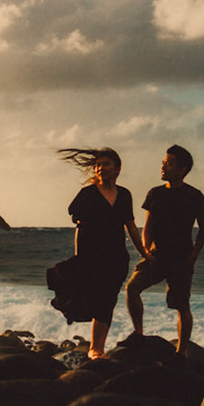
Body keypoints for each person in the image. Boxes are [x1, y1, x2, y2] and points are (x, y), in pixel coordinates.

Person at [55, 147, 148, 359]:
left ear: (118, 169)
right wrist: (79, 258)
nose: (100, 168)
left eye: (106, 164)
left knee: (108, 299)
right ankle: (94, 347)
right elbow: (79, 227)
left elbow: (131, 226)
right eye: (98, 165)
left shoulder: (124, 195)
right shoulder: (88, 194)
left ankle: (97, 348)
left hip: (116, 256)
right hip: (92, 254)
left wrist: (144, 252)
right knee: (96, 297)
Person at [124, 144, 204, 360]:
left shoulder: (194, 196)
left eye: (168, 164)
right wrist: (145, 252)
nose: (163, 167)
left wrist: (192, 257)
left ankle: (181, 351)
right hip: (156, 256)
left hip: (181, 259)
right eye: (163, 163)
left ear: (182, 169)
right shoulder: (155, 193)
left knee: (182, 305)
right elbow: (148, 226)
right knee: (132, 288)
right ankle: (139, 334)